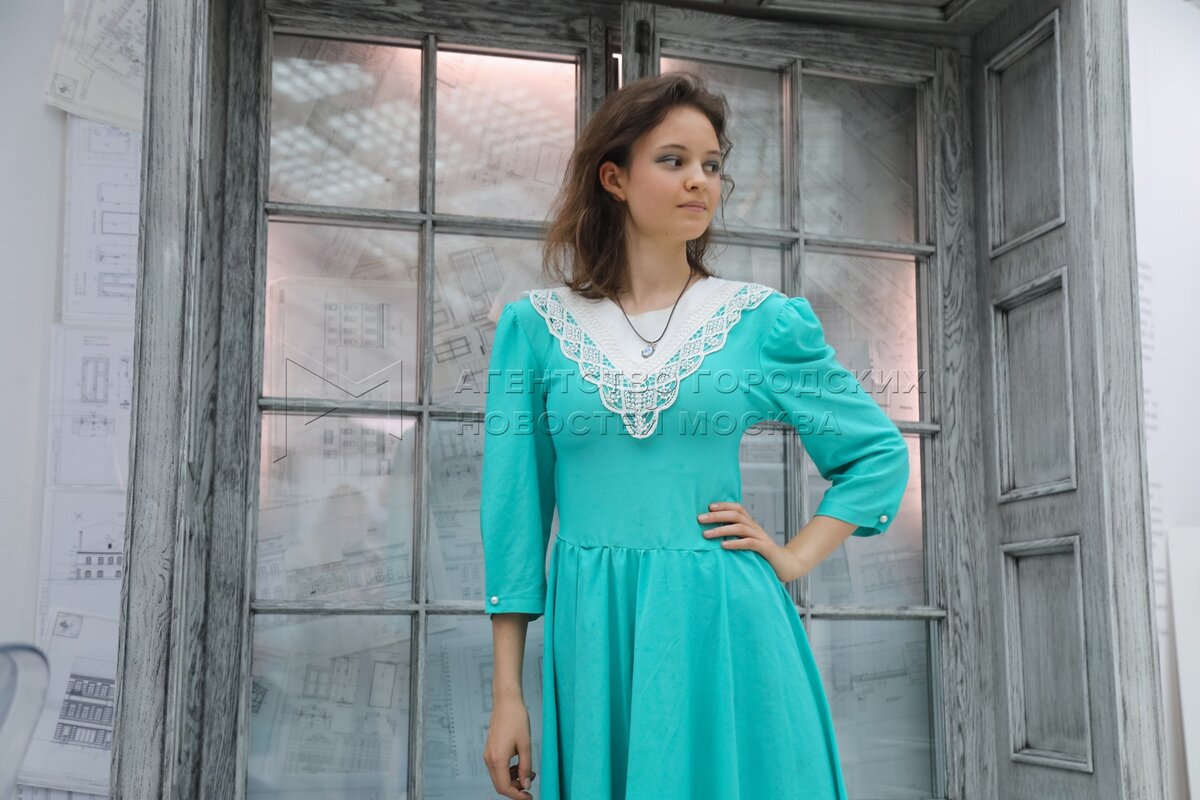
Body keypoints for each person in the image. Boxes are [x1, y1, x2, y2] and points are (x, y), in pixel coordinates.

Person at [479, 72, 909, 800]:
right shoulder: (536, 328)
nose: (699, 181)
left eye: (711, 165)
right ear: (614, 178)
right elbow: (514, 521)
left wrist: (794, 556)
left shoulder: (758, 320)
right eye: (673, 160)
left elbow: (876, 455)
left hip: (725, 629)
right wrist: (507, 695)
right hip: (597, 637)